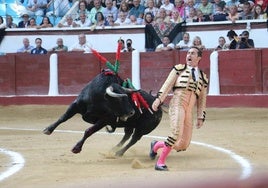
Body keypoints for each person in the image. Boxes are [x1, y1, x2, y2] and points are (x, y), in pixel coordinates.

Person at [149, 46, 209, 171]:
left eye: (193, 53)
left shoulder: (203, 77)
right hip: (177, 103)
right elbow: (167, 84)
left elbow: (202, 99)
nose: (189, 55)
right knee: (176, 133)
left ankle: (156, 145)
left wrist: (200, 116)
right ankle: (160, 162)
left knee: (183, 143)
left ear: (199, 58)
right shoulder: (179, 69)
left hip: (189, 109)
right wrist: (159, 99)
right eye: (188, 53)